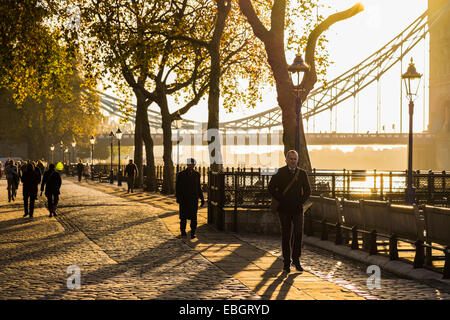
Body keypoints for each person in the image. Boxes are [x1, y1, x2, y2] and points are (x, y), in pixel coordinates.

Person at [268, 150, 311, 273]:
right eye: (290, 159)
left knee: (298, 235)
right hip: (284, 209)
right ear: (286, 159)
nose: (293, 161)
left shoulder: (302, 173)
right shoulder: (280, 172)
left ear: (297, 160)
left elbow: (308, 191)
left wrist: (301, 201)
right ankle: (286, 262)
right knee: (286, 235)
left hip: (297, 209)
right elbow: (270, 187)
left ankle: (296, 261)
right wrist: (281, 198)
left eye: (295, 159)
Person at [175, 158, 205, 239]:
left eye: (193, 164)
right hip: (184, 198)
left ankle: (193, 232)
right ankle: (183, 231)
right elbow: (178, 187)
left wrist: (202, 198)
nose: (192, 165)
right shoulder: (181, 174)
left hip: (193, 199)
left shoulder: (197, 174)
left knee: (194, 217)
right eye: (190, 164)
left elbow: (198, 187)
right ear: (187, 165)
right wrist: (178, 198)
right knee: (183, 216)